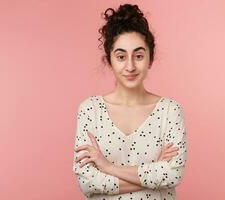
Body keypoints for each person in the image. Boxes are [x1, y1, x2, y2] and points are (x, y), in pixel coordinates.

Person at [72, 3, 187, 200]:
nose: (131, 66)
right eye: (121, 56)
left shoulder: (170, 110)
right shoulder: (91, 110)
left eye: (139, 55)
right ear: (109, 60)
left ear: (150, 59)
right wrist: (151, 173)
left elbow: (173, 173)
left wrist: (108, 167)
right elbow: (87, 182)